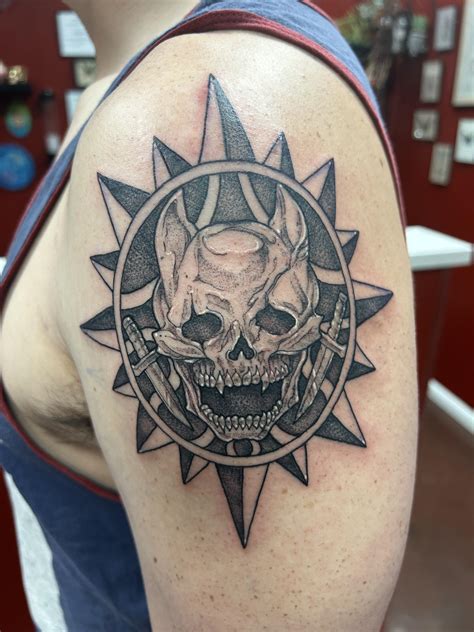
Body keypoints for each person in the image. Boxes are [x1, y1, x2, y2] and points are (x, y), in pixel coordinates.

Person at [0, 1, 418, 630]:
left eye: (275, 321)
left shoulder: (217, 89)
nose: (242, 351)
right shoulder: (115, 90)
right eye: (205, 324)